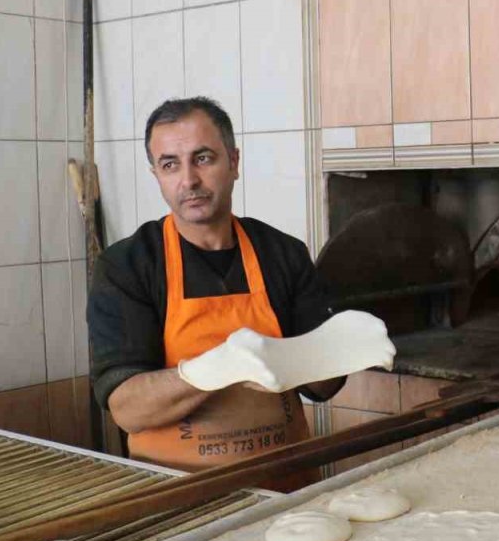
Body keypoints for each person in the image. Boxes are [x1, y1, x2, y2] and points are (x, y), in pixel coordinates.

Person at [88, 97, 343, 490]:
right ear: (155, 173)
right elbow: (128, 409)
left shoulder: (282, 253)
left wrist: (345, 346)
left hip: (289, 491)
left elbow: (324, 386)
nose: (188, 180)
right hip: (179, 499)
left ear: (234, 162)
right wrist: (220, 366)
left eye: (203, 158)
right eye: (170, 164)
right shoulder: (128, 266)